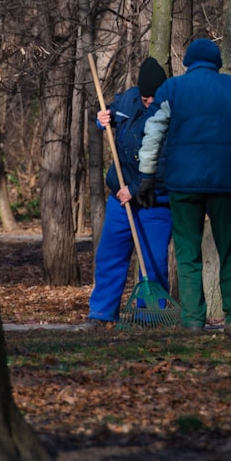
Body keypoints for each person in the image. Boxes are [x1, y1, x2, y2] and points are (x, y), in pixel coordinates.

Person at [137, 38, 231, 331]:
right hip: (227, 183)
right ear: (217, 62)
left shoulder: (171, 89)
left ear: (187, 63)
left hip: (183, 184)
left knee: (187, 251)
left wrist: (147, 176)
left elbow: (152, 133)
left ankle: (193, 320)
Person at [83, 57, 171, 329]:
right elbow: (108, 118)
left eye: (151, 97)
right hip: (120, 200)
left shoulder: (172, 109)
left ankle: (150, 318)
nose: (147, 101)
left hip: (155, 201)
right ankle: (101, 314)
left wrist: (134, 189)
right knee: (110, 255)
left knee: (153, 262)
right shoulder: (127, 101)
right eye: (144, 96)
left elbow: (166, 161)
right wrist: (101, 119)